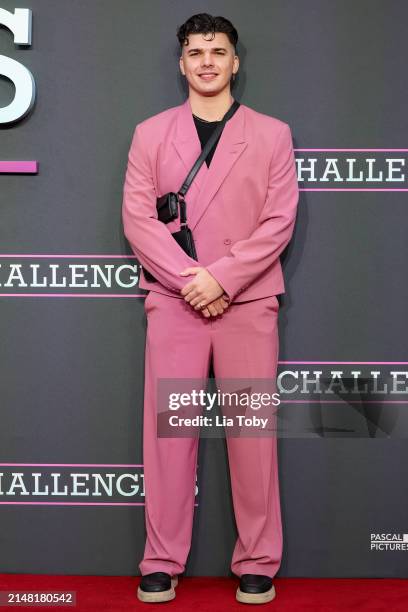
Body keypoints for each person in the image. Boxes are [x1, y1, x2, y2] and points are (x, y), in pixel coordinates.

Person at [122, 12, 299, 605]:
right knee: (169, 439)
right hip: (175, 304)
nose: (206, 61)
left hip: (247, 303)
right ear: (181, 63)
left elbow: (278, 223)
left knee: (252, 436)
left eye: (217, 51)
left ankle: (257, 559)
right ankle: (161, 560)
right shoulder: (150, 134)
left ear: (234, 61)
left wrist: (221, 278)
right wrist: (189, 280)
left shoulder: (272, 134)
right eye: (195, 52)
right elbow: (138, 220)